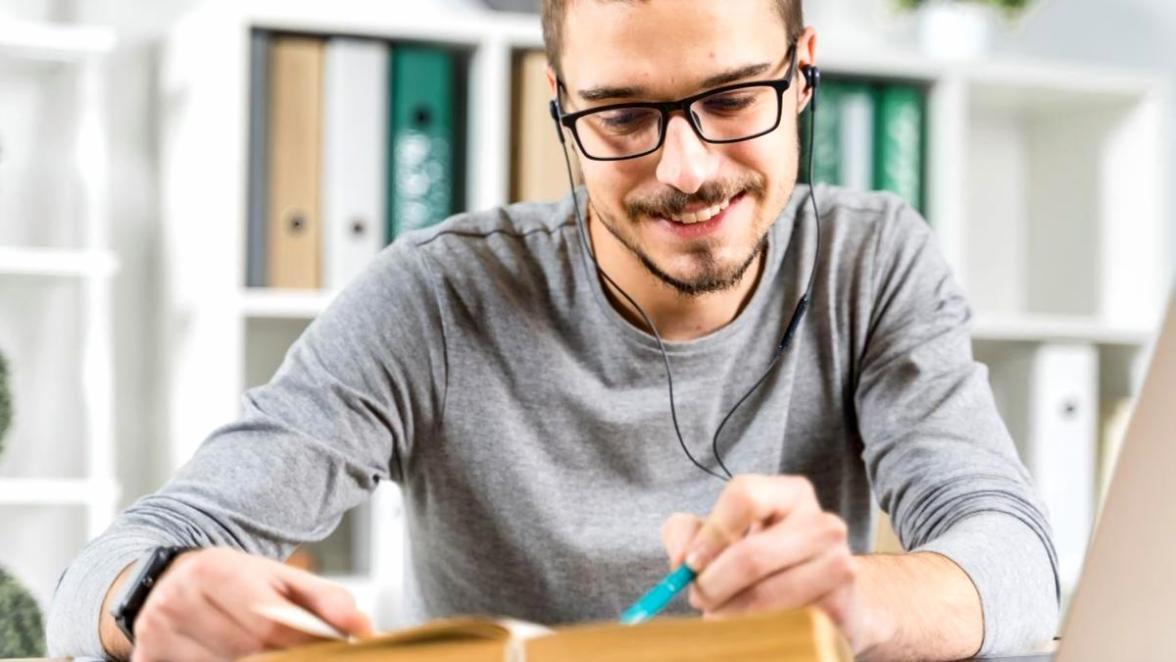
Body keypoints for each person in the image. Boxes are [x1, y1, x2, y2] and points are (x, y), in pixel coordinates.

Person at [47, 0, 1060, 660]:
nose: (689, 171)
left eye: (734, 98)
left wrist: (859, 598)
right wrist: (152, 596)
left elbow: (1014, 561)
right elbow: (104, 570)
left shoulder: (870, 262)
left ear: (801, 73)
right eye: (621, 117)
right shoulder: (436, 297)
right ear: (558, 102)